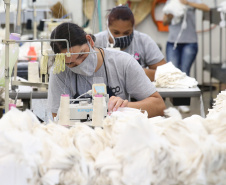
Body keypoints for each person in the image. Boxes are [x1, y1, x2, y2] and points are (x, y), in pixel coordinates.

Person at [48, 22, 166, 119]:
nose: (79, 64)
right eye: (71, 63)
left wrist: (125, 107)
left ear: (90, 41)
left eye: (81, 55)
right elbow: (57, 117)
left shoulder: (123, 62)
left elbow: (159, 106)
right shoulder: (59, 72)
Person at [94, 5, 166, 81]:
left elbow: (165, 74)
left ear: (133, 28)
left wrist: (138, 72)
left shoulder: (144, 41)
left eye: (126, 33)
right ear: (107, 28)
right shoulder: (96, 42)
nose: (121, 36)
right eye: (116, 33)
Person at [163, 0, 209, 113]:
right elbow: (165, 22)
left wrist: (188, 4)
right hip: (173, 42)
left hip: (190, 42)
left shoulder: (191, 1)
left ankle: (182, 102)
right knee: (172, 73)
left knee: (184, 72)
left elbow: (206, 8)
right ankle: (174, 101)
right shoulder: (171, 1)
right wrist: (170, 16)